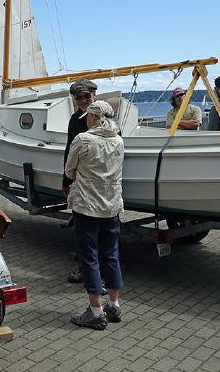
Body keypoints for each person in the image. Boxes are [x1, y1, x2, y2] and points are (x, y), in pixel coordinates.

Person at [65, 100, 125, 330]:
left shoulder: (83, 139)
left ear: (93, 117)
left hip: (87, 207)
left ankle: (96, 311)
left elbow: (69, 170)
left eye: (88, 117)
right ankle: (114, 304)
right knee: (111, 255)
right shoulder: (118, 140)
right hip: (111, 207)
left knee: (89, 256)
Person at [63, 78, 98, 285]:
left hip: (99, 184)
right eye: (79, 97)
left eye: (87, 96)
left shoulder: (105, 120)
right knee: (81, 228)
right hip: (80, 183)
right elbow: (69, 151)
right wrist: (65, 180)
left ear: (94, 96)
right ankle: (85, 269)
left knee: (99, 231)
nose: (84, 100)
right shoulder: (75, 120)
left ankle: (98, 275)